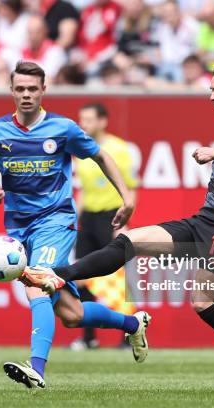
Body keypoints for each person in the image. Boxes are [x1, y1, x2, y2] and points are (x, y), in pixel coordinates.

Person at [21, 63, 214, 395]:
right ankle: (60, 274)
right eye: (211, 89)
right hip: (207, 220)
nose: (211, 96)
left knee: (203, 303)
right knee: (130, 241)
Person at [0, 61, 150, 390]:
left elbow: (100, 156)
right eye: (20, 89)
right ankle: (132, 324)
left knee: (37, 282)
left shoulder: (62, 128)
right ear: (11, 91)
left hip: (56, 220)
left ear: (43, 91)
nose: (26, 95)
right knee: (71, 314)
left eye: (32, 89)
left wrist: (126, 196)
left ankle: (36, 368)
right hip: (18, 229)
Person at [71, 102, 139, 350]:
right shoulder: (80, 150)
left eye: (88, 119)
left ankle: (128, 335)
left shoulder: (118, 149)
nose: (83, 124)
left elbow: (130, 187)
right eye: (81, 119)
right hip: (88, 217)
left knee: (118, 277)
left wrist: (124, 222)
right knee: (80, 276)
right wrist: (74, 220)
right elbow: (83, 190)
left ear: (102, 121)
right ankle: (88, 338)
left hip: (112, 217)